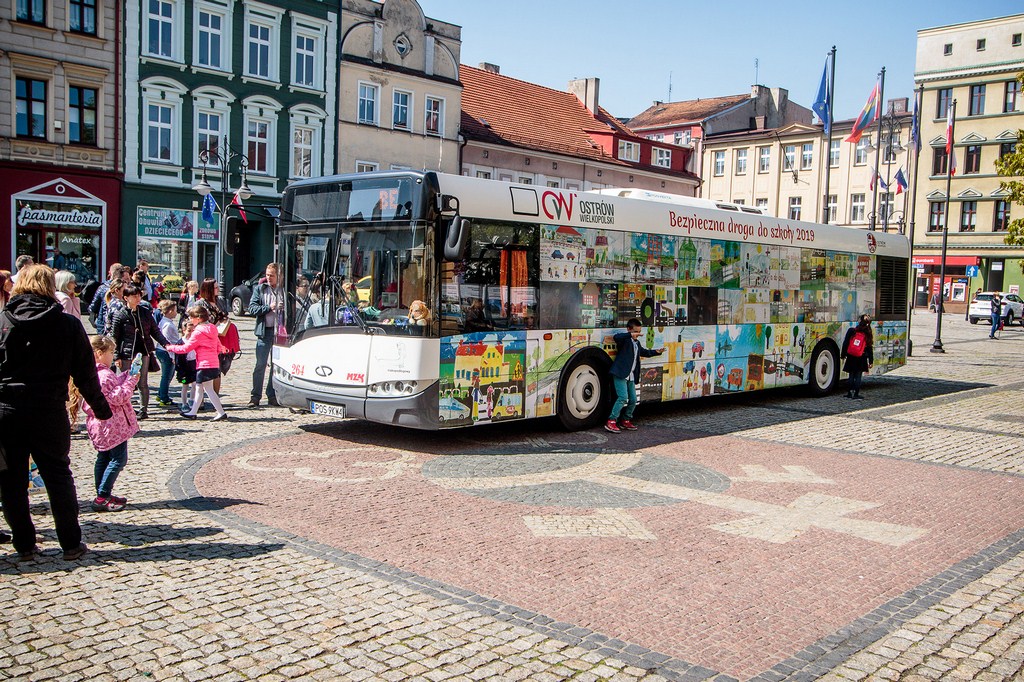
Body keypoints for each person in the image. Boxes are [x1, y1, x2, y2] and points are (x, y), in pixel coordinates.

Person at [0, 264, 111, 561]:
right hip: (48, 409)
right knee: (58, 475)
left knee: (10, 480)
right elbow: (85, 374)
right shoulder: (67, 325)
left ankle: (23, 544)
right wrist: (101, 409)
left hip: (6, 410)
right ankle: (71, 543)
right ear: (50, 287)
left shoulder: (2, 321)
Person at [68, 335, 140, 512]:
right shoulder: (104, 375)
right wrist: (131, 381)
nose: (113, 356)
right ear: (100, 353)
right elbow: (118, 397)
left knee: (104, 457)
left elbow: (112, 389)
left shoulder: (94, 373)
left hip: (101, 425)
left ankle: (102, 494)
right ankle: (103, 495)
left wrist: (125, 375)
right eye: (111, 352)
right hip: (112, 426)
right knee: (118, 459)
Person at [110, 285, 168, 419]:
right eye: (134, 296)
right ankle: (126, 409)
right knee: (125, 383)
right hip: (126, 353)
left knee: (143, 382)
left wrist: (165, 343)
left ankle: (143, 410)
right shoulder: (120, 314)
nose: (137, 298)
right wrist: (116, 356)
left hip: (143, 351)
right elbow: (115, 337)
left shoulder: (145, 312)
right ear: (126, 298)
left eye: (139, 296)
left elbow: (155, 331)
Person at [164, 305, 229, 421]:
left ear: (198, 318)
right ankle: (195, 412)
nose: (190, 320)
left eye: (191, 317)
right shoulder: (213, 328)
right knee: (201, 388)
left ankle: (219, 412)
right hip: (213, 363)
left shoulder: (198, 332)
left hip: (204, 364)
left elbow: (186, 348)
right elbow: (218, 346)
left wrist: (170, 347)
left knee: (206, 389)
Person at [605, 318, 664, 433]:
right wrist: (630, 335)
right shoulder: (625, 340)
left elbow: (644, 352)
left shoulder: (637, 343)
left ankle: (626, 420)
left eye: (639, 332)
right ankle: (611, 421)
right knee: (622, 397)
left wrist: (656, 352)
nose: (638, 334)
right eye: (636, 332)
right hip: (620, 373)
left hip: (631, 375)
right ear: (629, 330)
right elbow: (616, 337)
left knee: (633, 399)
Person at [246, 263, 283, 408]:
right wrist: (269, 307)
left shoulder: (284, 290)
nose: (268, 278)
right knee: (260, 365)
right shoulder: (260, 289)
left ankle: (272, 395)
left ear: (279, 276)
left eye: (271, 275)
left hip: (279, 333)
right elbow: (252, 308)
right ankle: (255, 396)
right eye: (267, 275)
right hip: (265, 331)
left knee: (276, 365)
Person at [154, 300, 181, 407]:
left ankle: (161, 393)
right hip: (166, 352)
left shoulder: (165, 321)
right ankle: (163, 397)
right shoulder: (167, 325)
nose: (176, 312)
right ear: (170, 311)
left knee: (167, 375)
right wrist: (172, 355)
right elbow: (167, 340)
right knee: (167, 375)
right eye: (175, 310)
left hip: (163, 350)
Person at [841, 314, 874, 399]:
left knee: (851, 375)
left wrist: (843, 354)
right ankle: (856, 394)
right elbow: (870, 348)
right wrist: (871, 361)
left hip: (851, 355)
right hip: (862, 357)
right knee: (858, 376)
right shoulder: (868, 333)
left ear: (859, 321)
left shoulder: (852, 330)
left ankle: (849, 393)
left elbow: (846, 343)